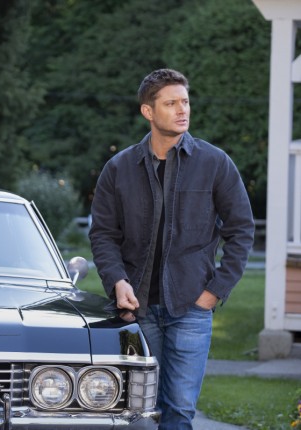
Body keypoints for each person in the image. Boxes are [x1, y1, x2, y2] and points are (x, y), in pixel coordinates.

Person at [88, 68, 254, 429]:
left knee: (179, 409)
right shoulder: (119, 168)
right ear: (148, 111)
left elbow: (241, 230)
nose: (182, 110)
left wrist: (214, 292)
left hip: (192, 307)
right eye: (171, 103)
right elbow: (103, 234)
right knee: (138, 412)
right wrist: (117, 281)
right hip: (137, 311)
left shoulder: (214, 163)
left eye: (185, 102)